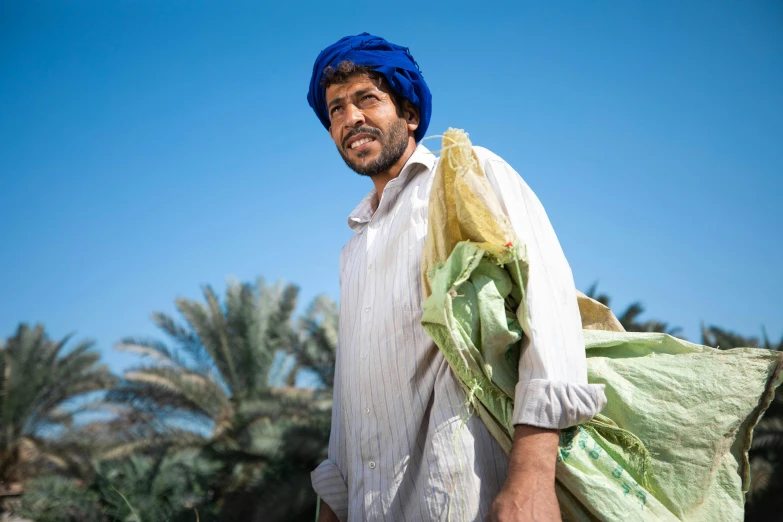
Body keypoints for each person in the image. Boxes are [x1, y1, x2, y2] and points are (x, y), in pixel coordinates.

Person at [306, 33, 607, 522]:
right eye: (336, 109)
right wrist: (333, 506)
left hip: (462, 496)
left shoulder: (466, 173)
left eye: (367, 99)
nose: (351, 118)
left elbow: (547, 306)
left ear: (409, 114)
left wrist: (531, 478)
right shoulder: (353, 248)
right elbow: (352, 393)